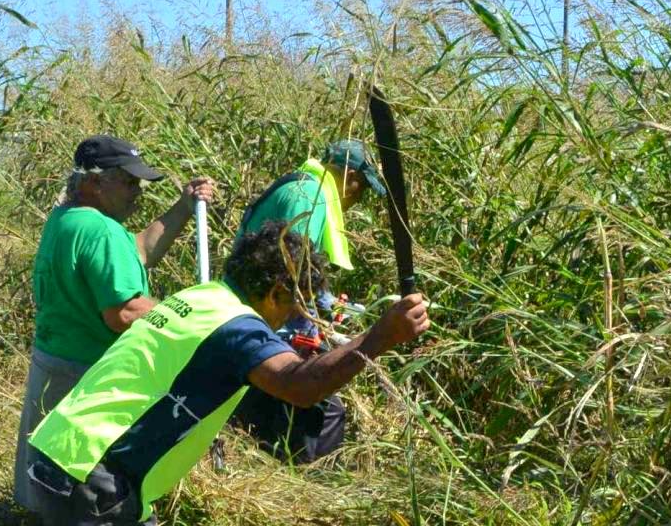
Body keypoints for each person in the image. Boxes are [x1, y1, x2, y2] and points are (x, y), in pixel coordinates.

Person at [25, 221, 430, 525]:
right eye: (295, 304)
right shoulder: (237, 326)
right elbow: (300, 386)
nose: (293, 317)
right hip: (93, 477)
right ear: (275, 292)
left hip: (62, 452)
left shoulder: (199, 298)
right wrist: (380, 337)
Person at [13, 134, 215, 513]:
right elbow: (123, 312)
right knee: (85, 492)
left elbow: (134, 254)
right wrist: (195, 316)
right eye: (127, 181)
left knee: (52, 481)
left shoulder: (68, 219)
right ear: (93, 182)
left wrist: (183, 208)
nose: (136, 191)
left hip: (55, 365)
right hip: (85, 376)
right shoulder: (100, 230)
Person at [232, 139, 387, 462]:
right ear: (348, 175)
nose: (357, 199)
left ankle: (269, 460)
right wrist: (316, 323)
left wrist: (336, 308)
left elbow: (301, 272)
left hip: (265, 311)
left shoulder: (305, 189)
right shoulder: (309, 198)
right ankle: (317, 479)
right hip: (265, 316)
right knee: (321, 405)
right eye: (360, 188)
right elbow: (289, 272)